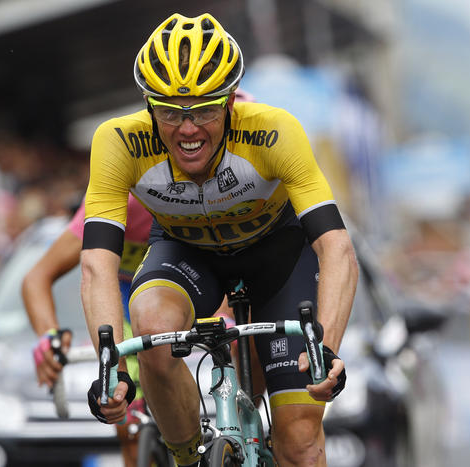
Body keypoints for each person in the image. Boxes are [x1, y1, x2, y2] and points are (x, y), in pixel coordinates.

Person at [80, 12, 358, 467]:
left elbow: (337, 249)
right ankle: (188, 458)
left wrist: (324, 349)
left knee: (300, 441)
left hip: (279, 261)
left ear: (231, 100)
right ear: (148, 105)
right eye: (170, 111)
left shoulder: (275, 131)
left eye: (205, 109)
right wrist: (113, 370)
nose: (188, 130)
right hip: (188, 255)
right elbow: (96, 266)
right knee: (150, 323)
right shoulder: (116, 142)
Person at [21, 194, 152, 467]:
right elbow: (36, 278)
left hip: (188, 305)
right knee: (130, 424)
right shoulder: (121, 198)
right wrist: (49, 337)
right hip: (128, 312)